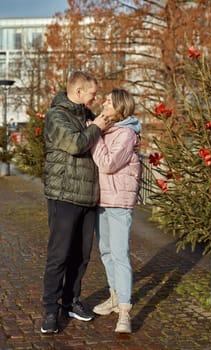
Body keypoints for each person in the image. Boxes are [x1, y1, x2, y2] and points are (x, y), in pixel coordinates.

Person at [41, 71, 113, 334]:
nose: (95, 98)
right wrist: (96, 127)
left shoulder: (86, 114)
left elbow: (105, 134)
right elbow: (74, 144)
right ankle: (51, 310)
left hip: (88, 196)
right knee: (59, 255)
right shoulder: (56, 116)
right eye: (92, 94)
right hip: (64, 195)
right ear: (79, 91)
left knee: (82, 256)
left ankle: (71, 302)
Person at [90, 89, 141, 333]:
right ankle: (113, 296)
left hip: (119, 203)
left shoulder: (127, 133)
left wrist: (95, 135)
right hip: (102, 200)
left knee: (120, 255)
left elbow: (109, 164)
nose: (103, 103)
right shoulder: (110, 130)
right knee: (106, 252)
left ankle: (124, 312)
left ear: (120, 108)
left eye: (109, 101)